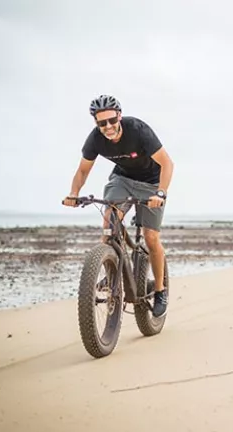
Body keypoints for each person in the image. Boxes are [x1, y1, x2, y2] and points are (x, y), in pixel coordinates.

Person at [63, 94, 175, 318]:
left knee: (151, 237)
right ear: (96, 123)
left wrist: (161, 193)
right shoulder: (95, 139)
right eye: (101, 123)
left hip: (151, 183)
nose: (108, 127)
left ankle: (161, 291)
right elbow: (83, 170)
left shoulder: (138, 130)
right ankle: (112, 267)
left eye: (111, 121)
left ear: (119, 116)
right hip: (122, 180)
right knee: (109, 225)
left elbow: (167, 163)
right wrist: (74, 194)